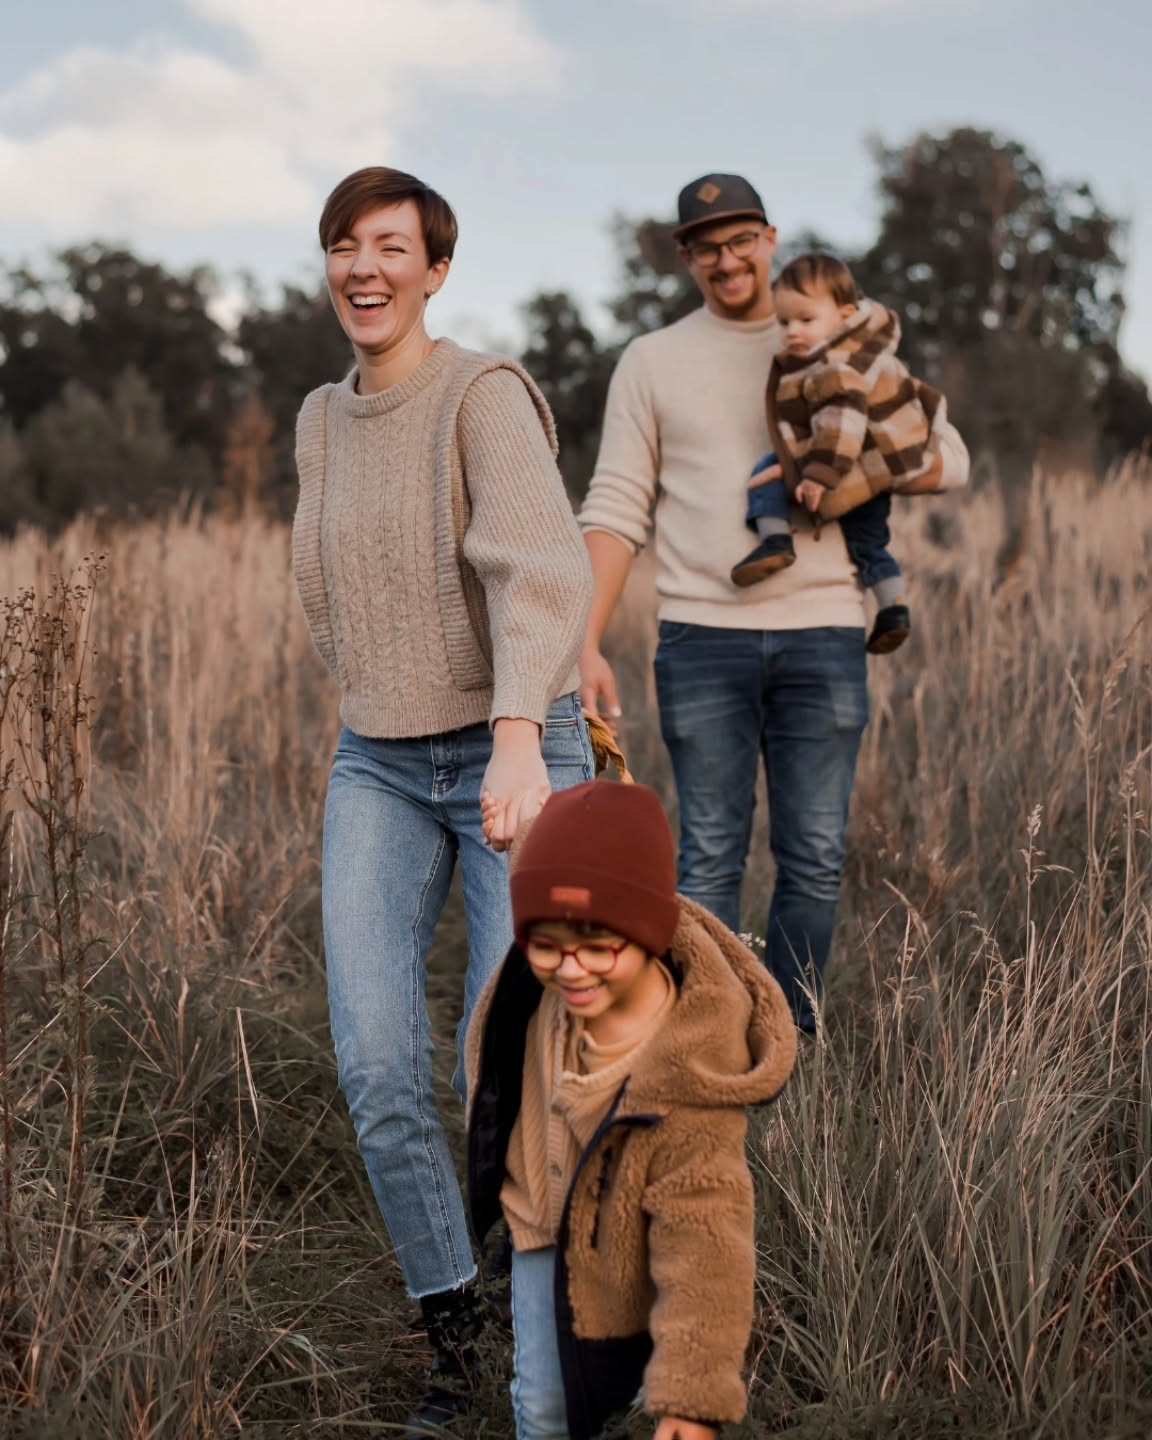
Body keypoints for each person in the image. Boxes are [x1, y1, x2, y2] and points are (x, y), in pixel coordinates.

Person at [291, 166, 595, 1433]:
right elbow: (329, 581)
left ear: (435, 270)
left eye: (390, 246)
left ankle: (562, 1322)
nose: (364, 268)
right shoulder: (320, 416)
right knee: (375, 1061)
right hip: (379, 756)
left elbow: (540, 570)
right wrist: (376, 688)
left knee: (503, 1063)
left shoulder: (483, 395)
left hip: (512, 747)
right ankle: (457, 1332)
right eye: (344, 245)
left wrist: (522, 738)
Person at [577, 173, 969, 1031]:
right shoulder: (651, 360)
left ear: (770, 239)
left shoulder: (840, 339)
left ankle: (790, 1043)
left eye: (741, 240)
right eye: (706, 247)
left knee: (815, 859)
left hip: (823, 635)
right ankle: (712, 1043)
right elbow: (615, 505)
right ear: (685, 257)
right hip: (700, 638)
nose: (727, 260)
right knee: (709, 860)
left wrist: (841, 480)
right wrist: (585, 640)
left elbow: (949, 457)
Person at [468, 780, 798, 1440]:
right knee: (542, 1407)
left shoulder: (690, 1076)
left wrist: (693, 1400)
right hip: (539, 1226)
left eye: (597, 947)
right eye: (545, 945)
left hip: (635, 1254)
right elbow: (557, 872)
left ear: (647, 932)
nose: (571, 970)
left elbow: (707, 1245)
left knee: (637, 1401)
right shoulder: (539, 977)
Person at [731, 251, 952, 656]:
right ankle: (893, 608)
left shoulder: (835, 365)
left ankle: (775, 540)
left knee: (766, 471)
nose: (793, 332)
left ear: (844, 314)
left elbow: (842, 423)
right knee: (870, 544)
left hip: (837, 462)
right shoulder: (855, 354)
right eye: (784, 322)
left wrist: (818, 476)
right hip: (872, 474)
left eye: (806, 320)